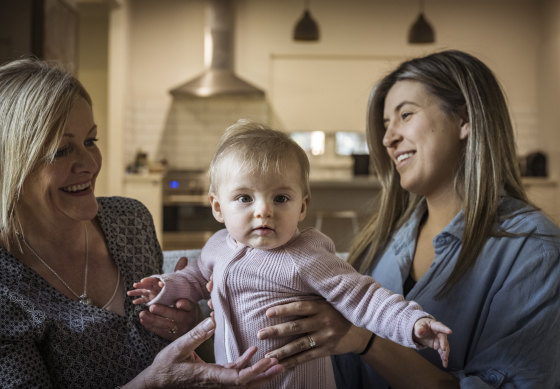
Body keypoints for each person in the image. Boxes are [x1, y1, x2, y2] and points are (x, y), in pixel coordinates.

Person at [250, 49, 560, 388]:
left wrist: (366, 340)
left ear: (464, 119)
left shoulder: (535, 251)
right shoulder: (382, 242)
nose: (387, 138)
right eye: (386, 125)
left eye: (405, 115)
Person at [0, 58, 283, 388]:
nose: (89, 163)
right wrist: (153, 382)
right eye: (61, 151)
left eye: (90, 141)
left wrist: (184, 323)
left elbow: (166, 347)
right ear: (7, 164)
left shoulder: (130, 221)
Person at [129, 120, 452, 389]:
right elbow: (196, 278)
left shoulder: (306, 256)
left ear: (302, 206)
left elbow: (364, 297)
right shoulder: (217, 246)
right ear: (217, 207)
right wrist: (166, 287)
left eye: (281, 198)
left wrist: (413, 323)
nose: (264, 211)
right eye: (244, 198)